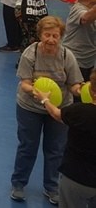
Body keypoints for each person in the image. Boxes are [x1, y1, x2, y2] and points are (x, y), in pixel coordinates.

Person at [10, 16, 83, 204]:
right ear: (40, 35)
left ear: (61, 37)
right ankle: (18, 183)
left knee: (56, 149)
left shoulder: (67, 56)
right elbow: (25, 83)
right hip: (30, 107)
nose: (51, 39)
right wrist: (36, 92)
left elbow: (74, 84)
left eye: (55, 36)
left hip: (59, 108)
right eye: (47, 35)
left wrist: (82, 91)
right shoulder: (30, 53)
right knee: (27, 146)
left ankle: (51, 187)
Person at [33, 69, 96, 207]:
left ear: (92, 91)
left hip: (76, 177)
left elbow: (56, 114)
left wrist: (45, 99)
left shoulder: (80, 111)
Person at [61, 0, 96, 81]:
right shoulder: (77, 8)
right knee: (75, 87)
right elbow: (85, 19)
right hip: (74, 59)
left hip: (88, 59)